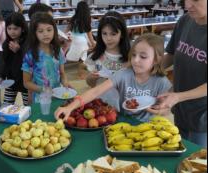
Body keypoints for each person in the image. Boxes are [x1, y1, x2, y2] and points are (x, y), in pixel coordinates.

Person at [55, 33, 172, 123]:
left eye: (143, 56)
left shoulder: (162, 83)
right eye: (134, 55)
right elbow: (96, 91)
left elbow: (166, 109)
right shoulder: (124, 74)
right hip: (122, 121)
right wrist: (70, 107)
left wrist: (161, 110)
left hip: (148, 127)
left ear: (156, 60)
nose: (136, 60)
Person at [148, 0, 207, 148]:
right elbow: (172, 54)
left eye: (195, 0)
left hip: (202, 118)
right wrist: (148, 70)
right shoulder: (185, 21)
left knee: (195, 162)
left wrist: (178, 96)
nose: (187, 5)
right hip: (180, 109)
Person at [84, 11, 130, 111]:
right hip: (99, 106)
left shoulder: (131, 57)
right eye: (104, 33)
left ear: (122, 34)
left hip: (123, 107)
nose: (108, 38)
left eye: (113, 34)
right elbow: (90, 83)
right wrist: (92, 78)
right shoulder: (95, 56)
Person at [22, 12, 70, 103]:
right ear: (34, 33)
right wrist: (44, 89)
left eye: (49, 30)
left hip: (58, 96)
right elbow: (26, 83)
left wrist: (65, 83)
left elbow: (62, 73)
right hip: (41, 99)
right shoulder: (30, 55)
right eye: (40, 31)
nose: (46, 34)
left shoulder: (58, 51)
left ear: (54, 31)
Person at [0, 12, 28, 106]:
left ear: (22, 29)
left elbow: (30, 61)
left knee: (28, 106)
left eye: (15, 28)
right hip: (11, 80)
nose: (12, 32)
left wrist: (19, 50)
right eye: (9, 28)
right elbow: (5, 62)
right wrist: (1, 76)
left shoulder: (28, 42)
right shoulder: (7, 43)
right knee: (6, 106)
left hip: (26, 81)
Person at [65, 1, 96, 78]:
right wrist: (93, 44)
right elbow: (89, 35)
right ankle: (81, 74)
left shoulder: (73, 18)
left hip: (73, 39)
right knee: (82, 59)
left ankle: (61, 68)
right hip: (82, 40)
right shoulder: (87, 19)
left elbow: (67, 29)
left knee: (72, 56)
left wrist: (65, 35)